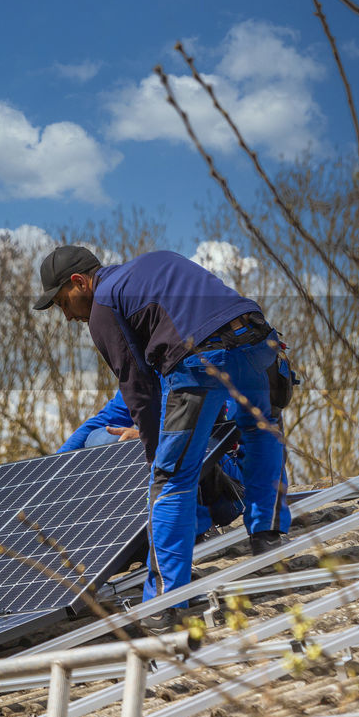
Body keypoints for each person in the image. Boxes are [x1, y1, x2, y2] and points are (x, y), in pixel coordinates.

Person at [34, 245, 289, 631]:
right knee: (261, 431)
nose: (66, 315)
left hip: (202, 359)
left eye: (61, 302)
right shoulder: (157, 262)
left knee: (171, 480)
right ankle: (269, 537)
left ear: (79, 282)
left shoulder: (103, 307)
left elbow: (137, 389)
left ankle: (164, 602)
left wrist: (157, 454)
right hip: (257, 340)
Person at [59, 390, 245, 537]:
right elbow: (104, 420)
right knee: (99, 438)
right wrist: (56, 465)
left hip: (227, 482)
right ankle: (131, 528)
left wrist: (148, 438)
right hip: (169, 464)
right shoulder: (149, 372)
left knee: (158, 444)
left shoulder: (227, 371)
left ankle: (197, 527)